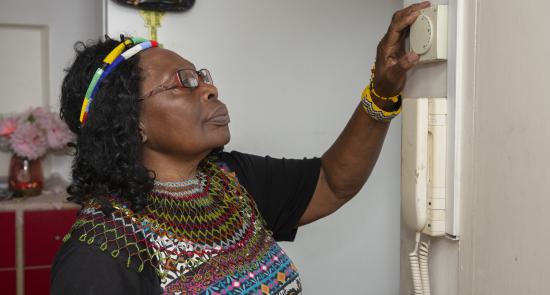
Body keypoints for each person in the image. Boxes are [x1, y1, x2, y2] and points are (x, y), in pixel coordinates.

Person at [51, 2, 430, 294]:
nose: (208, 88)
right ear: (131, 122)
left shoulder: (231, 181)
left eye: (200, 76)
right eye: (182, 82)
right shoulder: (102, 249)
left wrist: (381, 95)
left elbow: (333, 182)